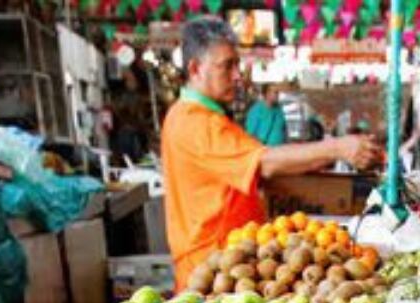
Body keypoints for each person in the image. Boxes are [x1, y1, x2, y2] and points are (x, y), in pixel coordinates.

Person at [160, 17, 379, 284]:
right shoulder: (195, 122)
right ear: (195, 68)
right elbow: (264, 163)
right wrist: (336, 148)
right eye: (227, 66)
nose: (238, 75)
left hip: (232, 263)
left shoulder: (199, 117)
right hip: (211, 270)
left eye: (237, 65)